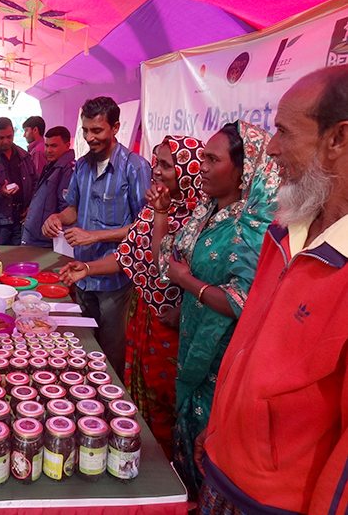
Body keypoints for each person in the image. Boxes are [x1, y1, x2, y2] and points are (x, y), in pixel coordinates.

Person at [193, 66, 348, 515]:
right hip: (224, 470)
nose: (272, 148)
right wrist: (222, 426)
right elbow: (253, 347)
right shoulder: (283, 231)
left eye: (283, 131)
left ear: (337, 139)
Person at [148, 121, 279, 500]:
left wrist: (189, 283)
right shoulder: (205, 212)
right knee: (186, 440)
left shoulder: (251, 227)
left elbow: (244, 302)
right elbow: (166, 262)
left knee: (213, 451)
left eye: (212, 159)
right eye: (202, 157)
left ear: (243, 171)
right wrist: (161, 213)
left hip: (222, 360)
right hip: (193, 345)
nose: (202, 166)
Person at [59, 136, 204, 456]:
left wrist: (182, 307)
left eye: (167, 165)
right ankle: (141, 454)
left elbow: (163, 267)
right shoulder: (156, 211)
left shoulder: (201, 222)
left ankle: (168, 468)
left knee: (165, 399)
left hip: (174, 329)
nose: (156, 171)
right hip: (144, 314)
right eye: (157, 162)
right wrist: (87, 267)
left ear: (189, 171)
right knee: (138, 391)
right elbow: (126, 254)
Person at [41, 97, 151, 377]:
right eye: (85, 130)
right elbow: (74, 210)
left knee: (110, 351)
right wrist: (55, 218)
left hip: (115, 277)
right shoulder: (82, 166)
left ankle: (112, 407)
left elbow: (145, 228)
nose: (90, 138)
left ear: (115, 127)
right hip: (81, 274)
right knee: (85, 344)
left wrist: (94, 236)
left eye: (97, 131)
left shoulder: (135, 167)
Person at [0, 117, 37, 245]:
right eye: (1, 138)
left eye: (9, 137)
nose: (6, 141)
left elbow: (35, 182)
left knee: (19, 259)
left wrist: (31, 206)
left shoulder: (23, 155)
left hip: (21, 218)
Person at [22, 126, 76, 248]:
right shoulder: (52, 165)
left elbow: (66, 208)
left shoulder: (68, 170)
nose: (49, 150)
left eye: (54, 146)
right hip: (35, 234)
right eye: (46, 146)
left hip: (46, 240)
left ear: (67, 146)